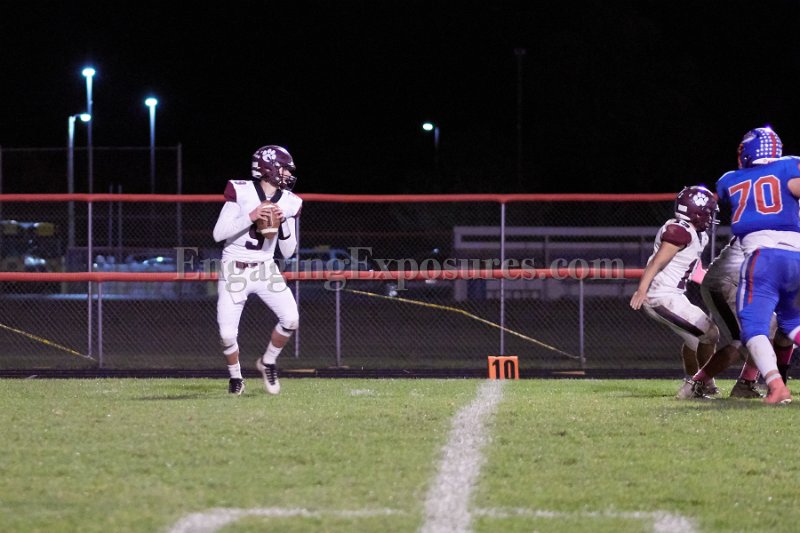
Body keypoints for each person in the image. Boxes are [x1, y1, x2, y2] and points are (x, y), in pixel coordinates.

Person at [715, 126, 800, 404]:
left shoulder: (729, 180)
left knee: (753, 327)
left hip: (763, 258)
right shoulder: (789, 167)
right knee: (794, 324)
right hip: (796, 259)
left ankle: (776, 386)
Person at [212, 145, 302, 396]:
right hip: (235, 268)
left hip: (265, 267)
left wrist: (284, 223)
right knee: (227, 334)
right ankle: (236, 377)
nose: (288, 174)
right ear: (268, 168)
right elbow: (218, 234)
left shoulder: (290, 202)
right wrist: (251, 216)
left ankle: (268, 362)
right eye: (284, 169)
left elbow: (288, 252)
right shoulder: (241, 191)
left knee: (291, 318)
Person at [630, 185, 720, 397]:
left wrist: (716, 283)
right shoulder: (680, 231)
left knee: (695, 341)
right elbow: (657, 262)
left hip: (671, 295)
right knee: (710, 334)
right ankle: (700, 384)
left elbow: (694, 269)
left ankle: (694, 384)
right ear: (696, 211)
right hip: (660, 296)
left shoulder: (695, 233)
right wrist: (641, 290)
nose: (710, 216)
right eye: (708, 211)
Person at [679, 236, 791, 399]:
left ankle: (746, 384)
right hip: (726, 282)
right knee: (743, 341)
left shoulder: (776, 227)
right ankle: (695, 385)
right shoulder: (784, 231)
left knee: (770, 329)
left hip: (736, 282)